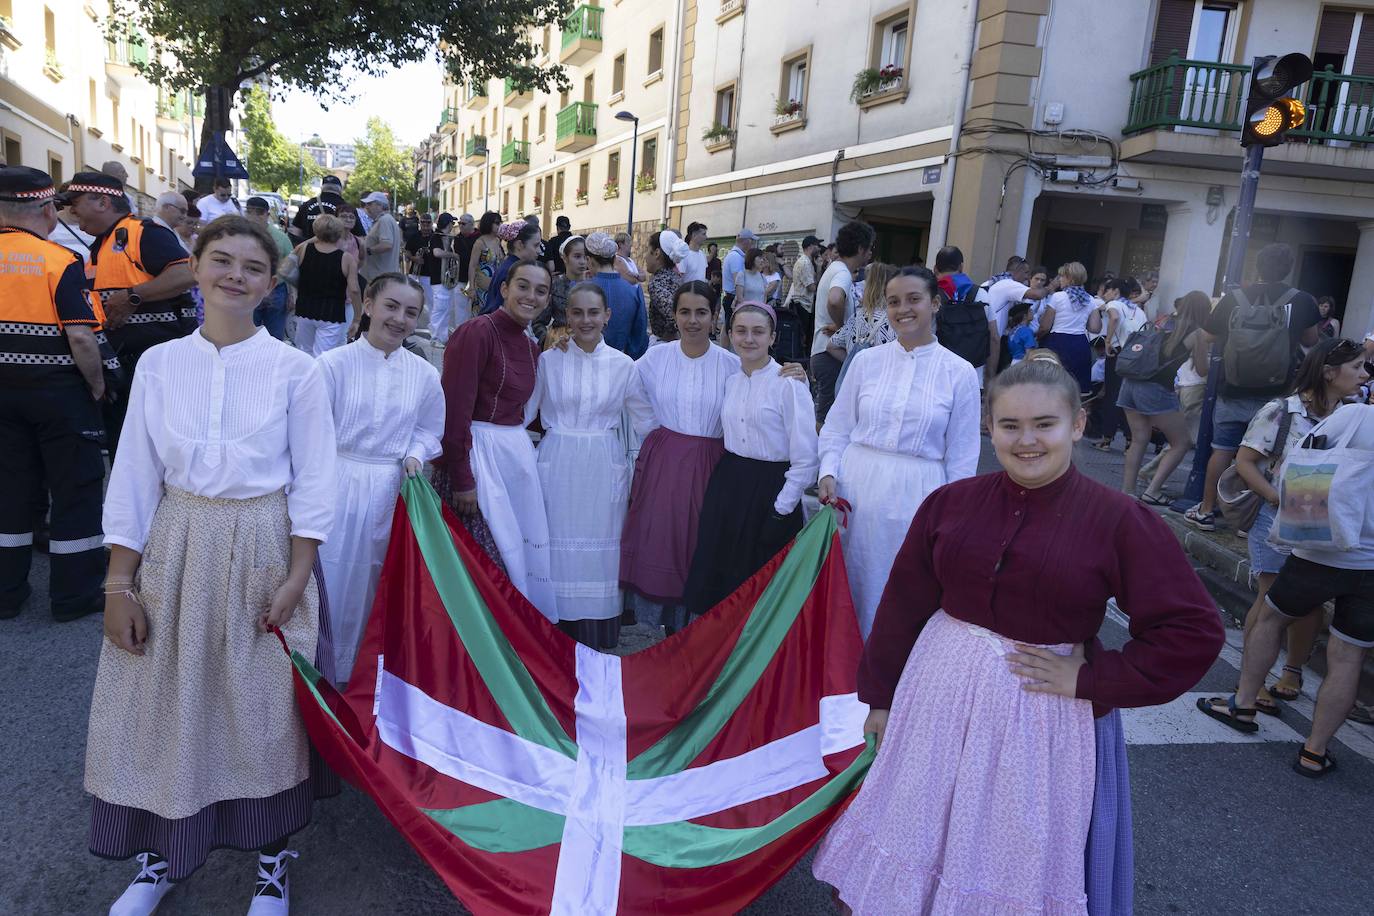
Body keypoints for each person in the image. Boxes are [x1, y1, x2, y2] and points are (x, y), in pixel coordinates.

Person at [814, 356, 1223, 914]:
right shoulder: (950, 504)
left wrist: (1094, 679)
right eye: (1010, 425)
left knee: (1003, 853)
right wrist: (881, 698)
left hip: (1036, 719)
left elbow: (1192, 630)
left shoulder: (1119, 521)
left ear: (1077, 425)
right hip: (935, 701)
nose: (1027, 440)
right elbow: (903, 605)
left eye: (1045, 425)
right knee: (916, 827)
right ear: (990, 427)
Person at [87, 215, 337, 916]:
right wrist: (117, 583)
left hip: (263, 542)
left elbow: (316, 481)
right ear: (194, 268)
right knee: (166, 703)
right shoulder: (160, 364)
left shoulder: (297, 370)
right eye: (220, 260)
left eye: (252, 267)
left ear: (270, 282)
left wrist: (296, 576)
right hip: (176, 540)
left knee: (262, 712)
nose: (235, 275)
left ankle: (270, 863)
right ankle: (162, 857)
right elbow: (134, 473)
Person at [1201, 399, 1374, 777]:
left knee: (1269, 618)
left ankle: (1243, 703)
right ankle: (1315, 751)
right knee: (1349, 658)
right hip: (1371, 566)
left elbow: (1301, 463)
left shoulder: (1356, 416)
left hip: (1321, 548)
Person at [817, 266, 981, 636]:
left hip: (917, 496)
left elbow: (962, 456)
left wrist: (951, 517)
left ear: (935, 304)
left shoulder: (960, 372)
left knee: (899, 592)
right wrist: (828, 471)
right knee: (849, 586)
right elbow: (837, 426)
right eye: (893, 301)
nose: (903, 309)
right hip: (856, 491)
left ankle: (888, 680)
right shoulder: (865, 361)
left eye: (913, 299)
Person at [317, 273, 444, 683]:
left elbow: (428, 429)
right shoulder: (331, 365)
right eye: (391, 306)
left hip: (390, 488)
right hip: (335, 481)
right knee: (331, 574)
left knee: (378, 577)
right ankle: (322, 671)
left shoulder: (423, 374)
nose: (400, 319)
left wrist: (414, 454)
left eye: (411, 312)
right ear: (368, 305)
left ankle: (366, 674)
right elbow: (308, 432)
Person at [0, 167, 114, 623]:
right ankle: (73, 594)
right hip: (58, 395)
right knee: (75, 490)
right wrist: (98, 385)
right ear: (47, 210)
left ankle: (6, 592)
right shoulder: (60, 260)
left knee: (9, 490)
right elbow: (82, 338)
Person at [434, 260, 557, 618]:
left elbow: (527, 412)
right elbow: (455, 410)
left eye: (540, 290)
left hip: (514, 458)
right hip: (477, 457)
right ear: (504, 289)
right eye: (523, 286)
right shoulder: (477, 332)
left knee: (516, 557)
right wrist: (462, 477)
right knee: (486, 562)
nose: (530, 296)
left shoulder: (532, 347)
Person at [682, 301, 817, 619]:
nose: (749, 339)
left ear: (772, 337)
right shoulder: (731, 380)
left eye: (758, 332)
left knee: (757, 581)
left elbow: (805, 457)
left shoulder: (789, 385)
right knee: (718, 573)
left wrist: (782, 509)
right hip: (729, 483)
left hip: (770, 489)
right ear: (729, 334)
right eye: (740, 331)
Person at [620, 282, 738, 632]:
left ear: (715, 316)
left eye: (701, 312)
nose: (692, 320)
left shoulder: (731, 364)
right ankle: (664, 627)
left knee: (700, 542)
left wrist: (789, 373)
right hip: (665, 461)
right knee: (664, 540)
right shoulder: (656, 358)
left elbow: (761, 385)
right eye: (684, 312)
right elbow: (624, 382)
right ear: (673, 315)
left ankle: (695, 630)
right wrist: (652, 429)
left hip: (711, 464)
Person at [525, 282, 636, 649]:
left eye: (593, 312)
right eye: (577, 312)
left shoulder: (623, 365)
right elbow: (526, 413)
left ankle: (596, 633)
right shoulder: (549, 359)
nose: (585, 320)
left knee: (602, 545)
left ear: (607, 316)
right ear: (567, 316)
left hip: (603, 462)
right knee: (555, 542)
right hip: (558, 461)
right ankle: (553, 634)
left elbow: (644, 420)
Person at [60, 171, 196, 457]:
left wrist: (134, 296)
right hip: (126, 370)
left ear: (102, 202)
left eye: (76, 201)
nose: (70, 209)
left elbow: (186, 273)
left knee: (147, 453)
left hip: (154, 368)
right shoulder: (103, 244)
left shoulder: (142, 232)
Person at [1187, 243, 1320, 531]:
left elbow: (1206, 336)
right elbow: (1311, 341)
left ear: (1257, 267)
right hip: (1276, 398)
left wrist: (1203, 368)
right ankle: (1248, 520)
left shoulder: (1233, 298)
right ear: (1289, 269)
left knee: (1221, 450)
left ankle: (1207, 510)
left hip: (1232, 389)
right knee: (1264, 458)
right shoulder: (1302, 300)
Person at [1122, 288, 1212, 505]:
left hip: (1130, 383)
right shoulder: (1196, 332)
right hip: (1156, 388)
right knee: (1181, 442)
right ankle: (1153, 490)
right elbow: (1202, 370)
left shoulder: (1162, 321)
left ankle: (1127, 491)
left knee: (1139, 439)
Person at [810, 221, 875, 425]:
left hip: (822, 352)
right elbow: (835, 299)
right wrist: (841, 328)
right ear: (860, 249)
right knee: (826, 417)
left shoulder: (835, 268)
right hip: (828, 354)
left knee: (826, 412)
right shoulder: (842, 273)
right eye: (870, 248)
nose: (871, 254)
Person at [981, 256, 1059, 383]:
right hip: (992, 338)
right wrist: (1050, 288)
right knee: (991, 380)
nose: (1027, 278)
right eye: (1026, 273)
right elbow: (1036, 295)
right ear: (1018, 271)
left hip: (987, 336)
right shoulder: (1008, 284)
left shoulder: (992, 282)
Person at [293, 214, 361, 356]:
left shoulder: (303, 249)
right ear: (339, 233)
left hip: (304, 308)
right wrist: (357, 318)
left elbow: (290, 258)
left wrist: (319, 234)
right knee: (323, 357)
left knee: (304, 353)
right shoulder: (346, 258)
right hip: (332, 312)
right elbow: (354, 290)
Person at [1092, 276, 1148, 450]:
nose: (1105, 293)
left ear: (1115, 291)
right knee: (1128, 398)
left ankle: (1106, 438)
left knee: (1113, 395)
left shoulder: (1114, 304)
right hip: (1135, 356)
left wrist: (1108, 341)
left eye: (1108, 290)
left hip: (1116, 354)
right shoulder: (1138, 310)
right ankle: (1129, 440)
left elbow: (1114, 318)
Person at [1037, 260, 1103, 394]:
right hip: (1080, 344)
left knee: (1051, 385)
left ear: (1069, 278)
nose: (1059, 279)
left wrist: (1038, 338)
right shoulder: (1090, 300)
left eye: (1061, 276)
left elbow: (1045, 326)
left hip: (1057, 342)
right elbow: (1095, 328)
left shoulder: (1057, 297)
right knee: (1075, 390)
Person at [586, 231, 649, 359]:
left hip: (586, 358)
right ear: (614, 259)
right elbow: (640, 333)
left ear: (589, 260)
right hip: (621, 359)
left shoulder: (580, 289)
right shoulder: (634, 289)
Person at [245, 196, 294, 340]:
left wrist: (292, 294)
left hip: (276, 290)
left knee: (274, 336)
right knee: (247, 334)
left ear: (267, 214)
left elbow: (291, 266)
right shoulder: (239, 236)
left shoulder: (281, 238)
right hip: (248, 288)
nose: (254, 217)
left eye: (259, 212)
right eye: (249, 211)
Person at [481, 220, 543, 317]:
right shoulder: (513, 271)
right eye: (536, 245)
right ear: (519, 245)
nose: (539, 251)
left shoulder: (511, 266)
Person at [540, 234, 589, 344]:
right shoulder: (554, 285)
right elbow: (539, 322)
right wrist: (549, 339)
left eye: (585, 257)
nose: (582, 262)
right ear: (565, 257)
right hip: (559, 344)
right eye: (577, 256)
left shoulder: (592, 288)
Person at [291, 175, 349, 243]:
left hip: (308, 249)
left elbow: (295, 231)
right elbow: (359, 235)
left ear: (322, 188)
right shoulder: (347, 207)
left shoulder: (307, 204)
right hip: (336, 250)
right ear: (340, 189)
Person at [359, 192, 400, 290]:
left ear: (379, 206)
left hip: (379, 279)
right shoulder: (386, 220)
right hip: (380, 278)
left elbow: (386, 245)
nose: (366, 207)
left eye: (369, 204)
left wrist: (367, 251)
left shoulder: (384, 220)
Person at [646, 231, 682, 343]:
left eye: (648, 250)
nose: (645, 256)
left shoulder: (657, 282)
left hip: (664, 343)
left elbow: (674, 315)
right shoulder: (675, 276)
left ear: (656, 253)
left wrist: (667, 337)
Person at [466, 210, 504, 313]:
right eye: (496, 223)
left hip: (496, 287)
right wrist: (472, 288)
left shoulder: (498, 241)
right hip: (482, 288)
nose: (499, 225)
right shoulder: (480, 242)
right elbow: (472, 265)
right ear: (488, 223)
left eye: (500, 222)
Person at [404, 212, 438, 318]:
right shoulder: (414, 237)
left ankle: (433, 329)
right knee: (411, 300)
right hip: (415, 273)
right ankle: (410, 324)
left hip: (430, 274)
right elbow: (407, 251)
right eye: (423, 223)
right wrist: (414, 258)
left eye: (428, 223)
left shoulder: (435, 237)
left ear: (432, 223)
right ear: (420, 223)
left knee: (431, 302)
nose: (425, 225)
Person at [719, 228, 757, 319]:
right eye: (752, 241)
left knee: (728, 326)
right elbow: (738, 280)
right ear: (747, 241)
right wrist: (741, 300)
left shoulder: (735, 255)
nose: (753, 244)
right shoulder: (736, 257)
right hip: (734, 298)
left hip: (732, 297)